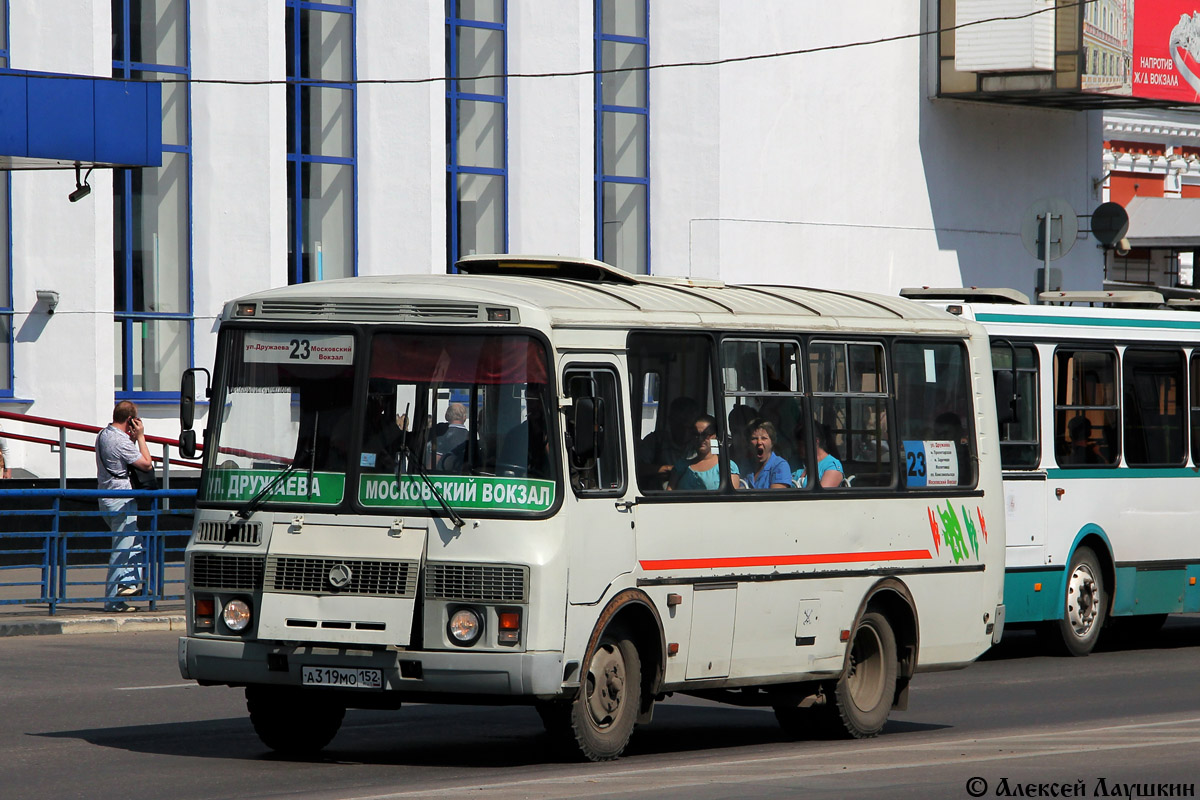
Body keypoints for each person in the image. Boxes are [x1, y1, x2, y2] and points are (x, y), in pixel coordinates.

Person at [96, 401, 152, 612]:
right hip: (122, 501)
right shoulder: (121, 441)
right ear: (131, 420)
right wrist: (140, 437)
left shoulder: (103, 435)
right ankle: (113, 600)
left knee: (134, 544)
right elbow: (146, 463)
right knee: (121, 549)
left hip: (105, 497)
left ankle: (127, 587)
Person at [637, 395, 700, 490]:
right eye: (680, 426)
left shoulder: (700, 444)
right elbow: (637, 468)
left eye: (690, 427)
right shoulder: (656, 441)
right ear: (670, 421)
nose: (685, 432)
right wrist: (665, 469)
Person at [668, 415, 740, 491]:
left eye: (705, 434)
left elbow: (731, 500)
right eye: (696, 434)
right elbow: (668, 497)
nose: (700, 439)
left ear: (715, 436)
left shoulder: (727, 467)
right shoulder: (681, 466)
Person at [742, 419, 791, 489]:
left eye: (764, 438)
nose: (759, 442)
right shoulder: (747, 466)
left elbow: (777, 497)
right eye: (754, 438)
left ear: (772, 443)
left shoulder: (780, 466)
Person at [793, 423, 844, 488]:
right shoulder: (802, 466)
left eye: (802, 445)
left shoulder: (832, 466)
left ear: (816, 441)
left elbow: (820, 495)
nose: (798, 448)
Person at [434, 402, 470, 471]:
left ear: (446, 416)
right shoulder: (470, 437)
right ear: (464, 417)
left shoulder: (441, 435)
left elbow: (432, 464)